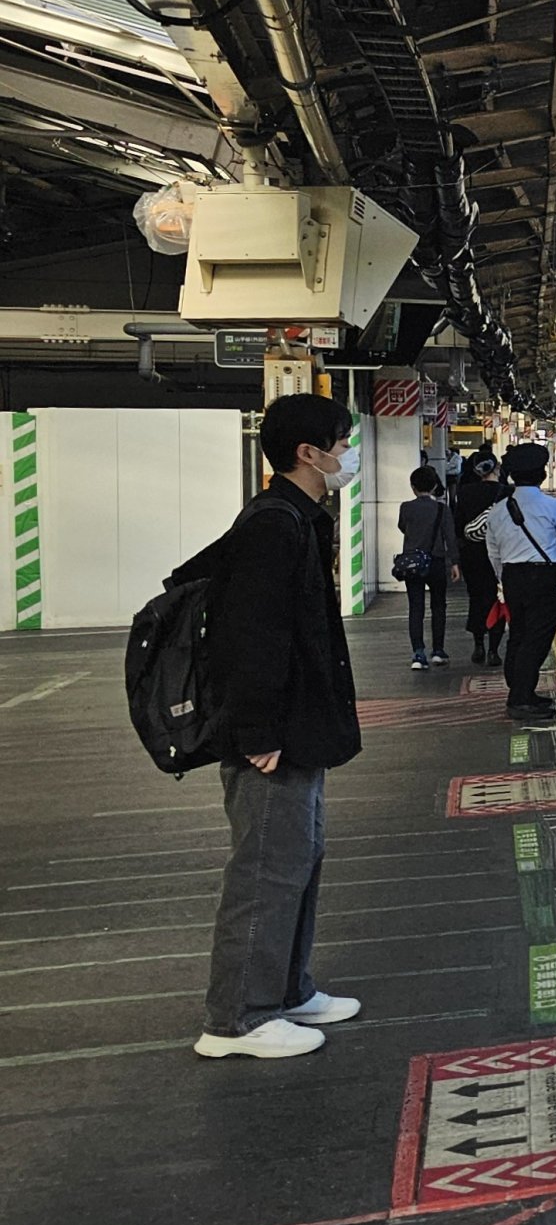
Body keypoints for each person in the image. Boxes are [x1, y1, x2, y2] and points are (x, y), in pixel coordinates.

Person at [195, 392, 365, 1061]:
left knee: (296, 859)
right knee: (266, 868)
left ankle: (289, 990)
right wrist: (257, 731)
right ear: (308, 453)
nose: (346, 454)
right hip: (273, 734)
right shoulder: (273, 524)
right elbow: (249, 636)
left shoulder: (297, 516)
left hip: (299, 726)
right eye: (341, 443)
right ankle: (237, 1018)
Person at [478, 442, 556, 722]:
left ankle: (522, 691)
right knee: (536, 639)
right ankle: (519, 699)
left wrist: (502, 579)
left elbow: (493, 552)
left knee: (519, 633)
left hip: (513, 578)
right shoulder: (552, 506)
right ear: (542, 475)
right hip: (544, 579)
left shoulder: (498, 510)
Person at [397, 464, 459, 670]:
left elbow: (402, 527)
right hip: (436, 561)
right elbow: (450, 536)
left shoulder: (406, 507)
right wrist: (455, 562)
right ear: (434, 487)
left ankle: (418, 653)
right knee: (438, 606)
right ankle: (438, 651)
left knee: (416, 607)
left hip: (412, 563)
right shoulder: (442, 509)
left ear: (412, 487)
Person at [451, 450, 508, 666]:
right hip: (501, 555)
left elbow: (458, 526)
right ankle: (494, 650)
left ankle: (478, 646)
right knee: (498, 600)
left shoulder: (465, 492)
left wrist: (458, 557)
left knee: (477, 599)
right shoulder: (506, 492)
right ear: (496, 468)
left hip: (473, 556)